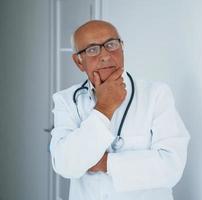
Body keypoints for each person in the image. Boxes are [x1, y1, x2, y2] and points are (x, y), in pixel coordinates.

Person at [50, 20, 190, 200]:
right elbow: (65, 165)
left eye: (111, 44)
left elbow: (171, 168)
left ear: (122, 48)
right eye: (92, 49)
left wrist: (105, 163)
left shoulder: (156, 94)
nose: (105, 55)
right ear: (79, 61)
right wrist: (103, 109)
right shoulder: (66, 100)